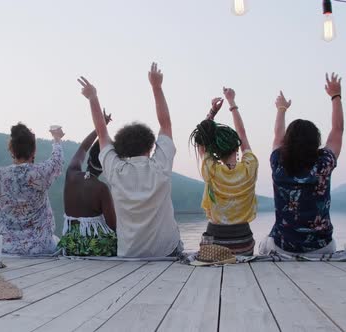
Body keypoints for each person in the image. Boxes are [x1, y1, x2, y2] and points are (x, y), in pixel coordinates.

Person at [77, 62, 183, 258]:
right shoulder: (160, 166)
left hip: (128, 253)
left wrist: (93, 98)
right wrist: (156, 87)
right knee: (177, 241)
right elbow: (165, 123)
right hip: (166, 251)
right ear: (152, 146)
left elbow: (101, 132)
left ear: (121, 149)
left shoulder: (115, 170)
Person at [259, 73, 344, 255]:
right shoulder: (324, 165)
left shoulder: (278, 164)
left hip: (283, 247)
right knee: (331, 244)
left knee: (264, 244)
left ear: (287, 142)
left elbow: (277, 135)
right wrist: (335, 96)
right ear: (316, 141)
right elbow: (338, 129)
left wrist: (281, 109)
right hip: (321, 247)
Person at [189, 87, 258, 256]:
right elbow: (243, 134)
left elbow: (201, 139)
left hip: (214, 244)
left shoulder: (210, 169)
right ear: (237, 146)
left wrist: (212, 112)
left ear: (216, 151)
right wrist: (232, 102)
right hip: (243, 243)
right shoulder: (250, 167)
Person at [0, 123, 65, 255]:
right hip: (40, 247)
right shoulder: (39, 172)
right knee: (57, 241)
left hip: (6, 246)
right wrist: (57, 138)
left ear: (12, 150)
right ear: (33, 151)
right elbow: (57, 161)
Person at [58, 111, 117, 256]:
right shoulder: (101, 188)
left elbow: (83, 147)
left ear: (89, 158)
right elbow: (112, 226)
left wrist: (100, 126)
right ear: (106, 166)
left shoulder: (71, 174)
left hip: (70, 244)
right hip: (93, 247)